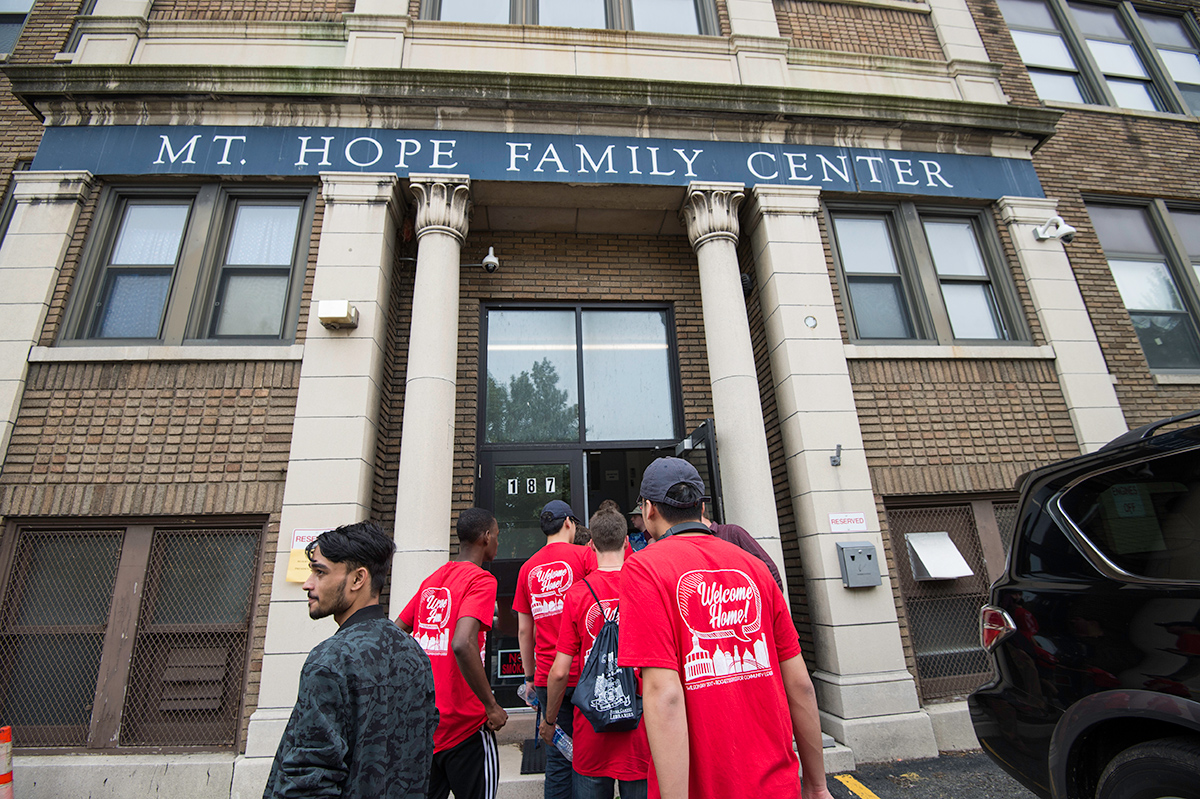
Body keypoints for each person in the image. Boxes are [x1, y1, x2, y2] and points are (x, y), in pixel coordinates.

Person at [618, 458, 833, 799]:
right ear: (701, 506)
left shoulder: (644, 569)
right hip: (777, 784)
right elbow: (800, 686)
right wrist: (818, 786)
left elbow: (665, 695)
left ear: (648, 510)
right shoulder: (755, 569)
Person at [264, 522, 437, 799]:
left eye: (320, 572)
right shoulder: (414, 653)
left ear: (358, 579)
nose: (308, 584)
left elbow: (309, 781)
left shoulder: (330, 660)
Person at [397, 508, 508, 799]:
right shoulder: (482, 580)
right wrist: (491, 705)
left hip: (429, 725)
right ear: (486, 538)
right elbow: (462, 643)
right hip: (467, 726)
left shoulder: (433, 580)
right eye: (497, 536)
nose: (498, 542)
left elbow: (396, 632)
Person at [541, 505, 650, 799]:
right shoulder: (646, 588)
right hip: (639, 727)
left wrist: (549, 721)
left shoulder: (577, 594)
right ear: (627, 542)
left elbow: (560, 671)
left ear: (591, 545)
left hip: (591, 728)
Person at [514, 499, 596, 799]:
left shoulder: (527, 568)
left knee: (558, 759)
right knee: (588, 758)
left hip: (549, 676)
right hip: (586, 673)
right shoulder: (585, 557)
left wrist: (529, 676)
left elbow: (525, 629)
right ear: (568, 524)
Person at [701, 501, 784, 592]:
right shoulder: (692, 544)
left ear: (701, 507)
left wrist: (769, 603)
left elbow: (769, 569)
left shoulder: (732, 532)